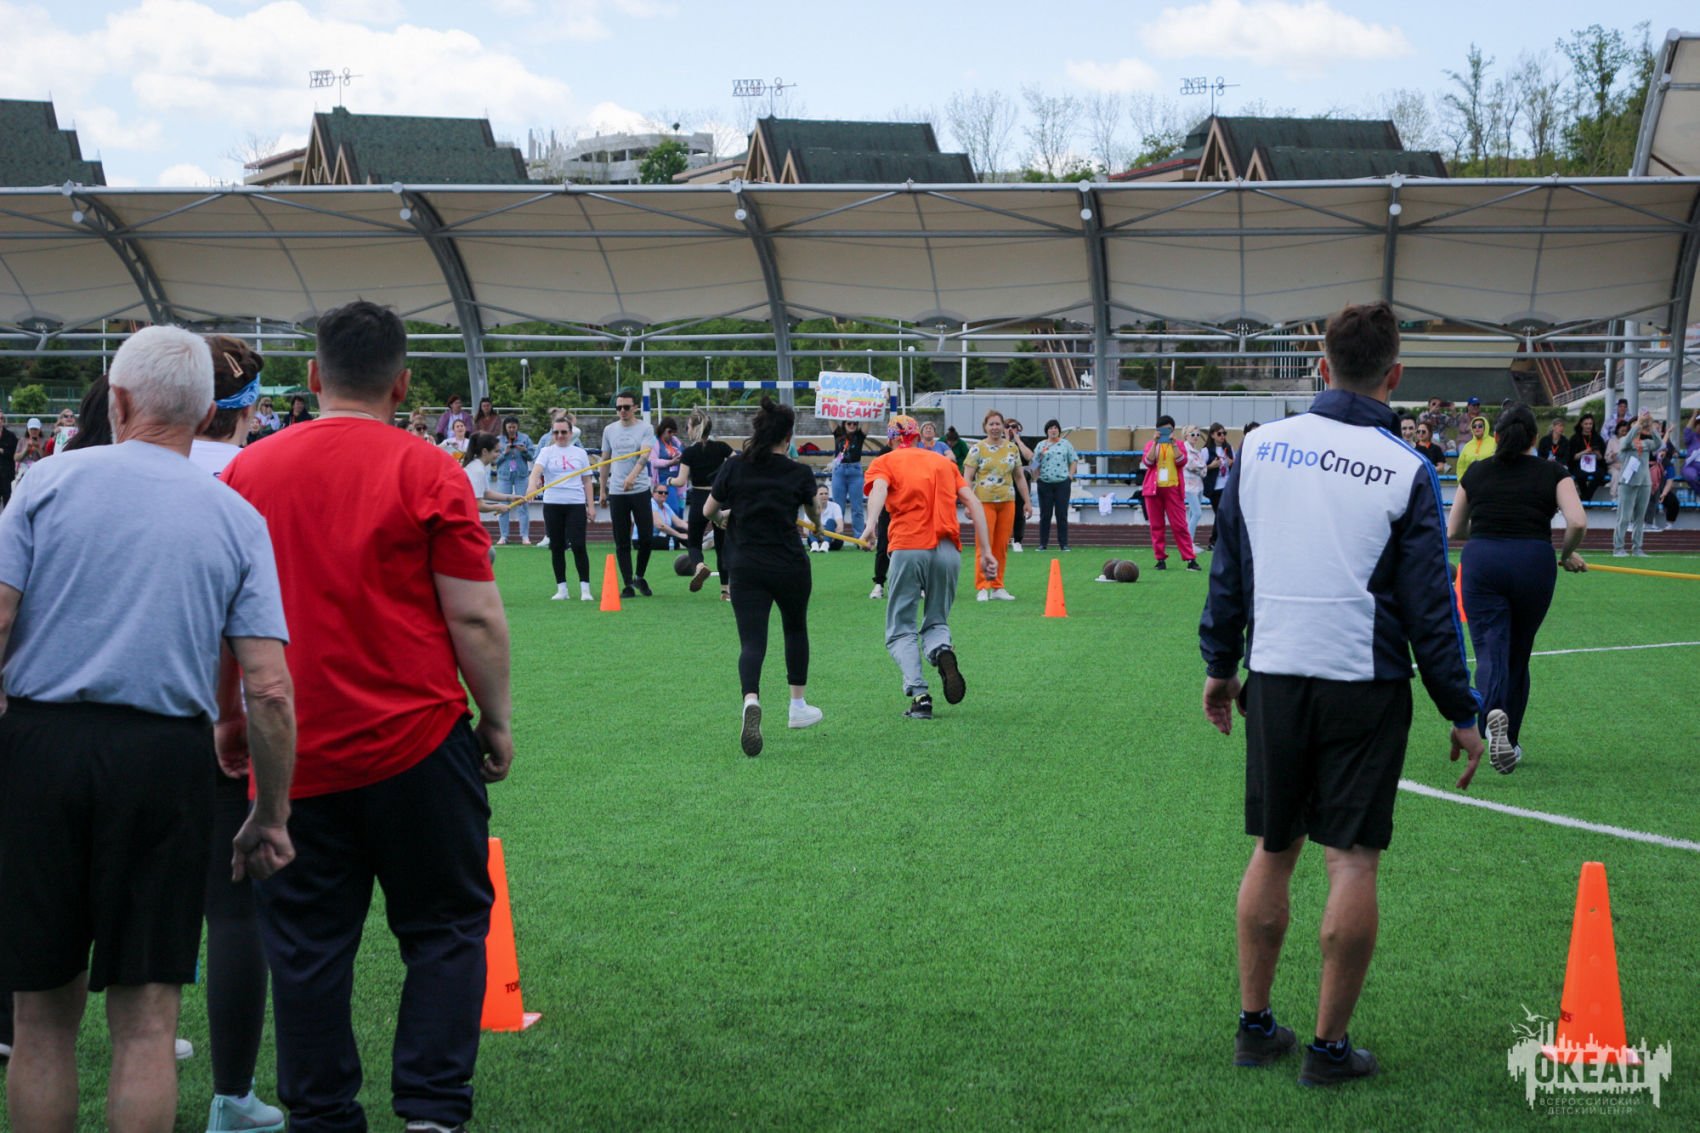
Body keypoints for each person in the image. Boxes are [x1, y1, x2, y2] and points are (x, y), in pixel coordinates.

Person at [220, 300, 514, 1133]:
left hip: (294, 751)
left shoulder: (246, 474)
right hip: (418, 742)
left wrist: (228, 721)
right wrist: (495, 718)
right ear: (403, 383)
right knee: (446, 928)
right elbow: (474, 615)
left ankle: (321, 1115)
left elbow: (220, 619)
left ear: (314, 376)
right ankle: (431, 1112)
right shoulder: (429, 469)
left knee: (306, 945)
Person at [0, 325, 295, 1133]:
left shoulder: (44, 482)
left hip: (42, 746)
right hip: (165, 756)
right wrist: (269, 814)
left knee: (40, 1019)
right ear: (206, 412)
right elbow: (269, 688)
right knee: (147, 1022)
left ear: (119, 400)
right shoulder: (234, 514)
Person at [1199, 300, 1483, 1087]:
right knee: (1351, 860)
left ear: (1322, 366)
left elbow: (1229, 570)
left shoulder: (1260, 448)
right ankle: (1328, 1050)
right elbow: (1431, 607)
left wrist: (1220, 664)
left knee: (1274, 845)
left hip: (1277, 674)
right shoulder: (1406, 467)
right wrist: (1460, 709)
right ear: (1395, 375)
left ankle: (1255, 1027)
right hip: (1366, 682)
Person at [181, 334, 293, 1132]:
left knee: (137, 894)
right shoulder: (255, 479)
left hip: (121, 715)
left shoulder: (107, 468)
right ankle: (232, 1094)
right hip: (223, 713)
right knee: (234, 910)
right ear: (249, 406)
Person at [1447, 403, 1587, 773]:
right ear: (1535, 438)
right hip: (1533, 562)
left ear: (1497, 436)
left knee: (1490, 648)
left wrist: (1488, 529)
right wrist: (1566, 555)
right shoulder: (1553, 472)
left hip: (1483, 562)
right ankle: (1510, 739)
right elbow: (1577, 521)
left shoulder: (1477, 472)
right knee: (1518, 652)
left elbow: (1454, 529)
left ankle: (1491, 716)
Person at [703, 397, 823, 756]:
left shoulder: (734, 467)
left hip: (745, 565)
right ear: (788, 437)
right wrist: (818, 526)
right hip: (789, 564)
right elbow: (814, 513)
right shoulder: (799, 473)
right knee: (795, 628)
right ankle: (797, 706)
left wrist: (723, 518)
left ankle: (751, 700)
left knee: (752, 641)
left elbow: (709, 510)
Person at [862, 414, 997, 721]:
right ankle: (941, 651)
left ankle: (920, 696)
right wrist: (987, 552)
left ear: (892, 439)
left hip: (909, 546)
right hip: (948, 551)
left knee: (901, 628)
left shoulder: (886, 462)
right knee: (936, 620)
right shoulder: (944, 463)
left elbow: (879, 489)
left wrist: (870, 525)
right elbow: (974, 504)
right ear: (916, 436)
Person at [962, 410, 1030, 599]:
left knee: (1001, 546)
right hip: (983, 503)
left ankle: (998, 587)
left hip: (1007, 502)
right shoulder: (977, 449)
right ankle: (982, 587)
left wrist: (1027, 501)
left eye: (998, 424)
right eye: (991, 424)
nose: (994, 427)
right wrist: (967, 502)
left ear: (1003, 427)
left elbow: (1019, 477)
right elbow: (967, 477)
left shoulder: (1012, 449)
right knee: (984, 545)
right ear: (985, 427)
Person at [529, 416, 596, 601]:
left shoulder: (580, 453)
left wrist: (590, 506)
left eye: (564, 432)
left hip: (575, 504)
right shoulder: (546, 452)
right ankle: (562, 589)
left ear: (570, 433)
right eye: (556, 432)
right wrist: (532, 486)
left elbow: (587, 481)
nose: (560, 435)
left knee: (578, 545)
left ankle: (585, 589)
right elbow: (536, 472)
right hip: (553, 504)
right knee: (557, 546)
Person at [601, 391, 658, 598]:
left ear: (635, 407)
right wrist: (603, 489)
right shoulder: (609, 430)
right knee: (622, 540)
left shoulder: (646, 428)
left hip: (640, 489)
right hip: (617, 491)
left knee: (646, 537)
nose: (622, 411)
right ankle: (627, 583)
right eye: (619, 408)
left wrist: (632, 476)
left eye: (626, 407)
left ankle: (639, 576)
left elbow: (644, 456)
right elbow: (605, 460)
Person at [674, 408, 734, 597]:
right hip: (720, 498)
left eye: (687, 427)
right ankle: (725, 590)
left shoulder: (689, 452)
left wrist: (668, 480)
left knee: (694, 542)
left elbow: (681, 481)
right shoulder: (722, 447)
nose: (687, 430)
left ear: (694, 428)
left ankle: (700, 566)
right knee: (722, 545)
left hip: (700, 498)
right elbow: (738, 464)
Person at [1140, 415, 1199, 572]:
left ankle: (1190, 558)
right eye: (1162, 430)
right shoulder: (1151, 444)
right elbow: (1148, 462)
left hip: (1173, 488)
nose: (1166, 433)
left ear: (1173, 430)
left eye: (1169, 429)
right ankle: (1160, 558)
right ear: (1157, 430)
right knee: (1156, 526)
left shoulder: (1179, 444)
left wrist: (1173, 444)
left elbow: (1182, 461)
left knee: (1180, 525)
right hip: (1153, 490)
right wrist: (1155, 442)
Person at [1613, 410, 1657, 557]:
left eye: (1640, 424)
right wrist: (1638, 423)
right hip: (1628, 483)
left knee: (1640, 518)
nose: (1638, 426)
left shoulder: (1646, 443)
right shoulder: (1624, 440)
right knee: (1624, 517)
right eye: (1635, 424)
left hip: (1645, 482)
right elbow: (1626, 442)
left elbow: (1659, 444)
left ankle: (1637, 548)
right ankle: (1618, 548)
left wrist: (1651, 427)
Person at [830, 421, 882, 541]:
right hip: (839, 470)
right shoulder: (838, 433)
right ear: (844, 424)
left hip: (855, 471)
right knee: (838, 506)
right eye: (849, 423)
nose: (852, 425)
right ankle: (837, 537)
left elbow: (868, 420)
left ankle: (859, 537)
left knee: (857, 507)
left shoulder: (859, 435)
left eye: (854, 423)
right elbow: (830, 419)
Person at [1032, 419, 1079, 552]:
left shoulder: (1065, 444)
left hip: (1062, 483)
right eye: (1050, 428)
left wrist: (1070, 476)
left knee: (1061, 514)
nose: (1053, 430)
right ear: (1046, 431)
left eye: (1055, 428)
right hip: (1045, 483)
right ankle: (1043, 544)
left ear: (1059, 430)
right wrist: (1037, 477)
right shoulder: (1041, 445)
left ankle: (1064, 544)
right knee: (1045, 514)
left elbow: (1073, 460)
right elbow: (1033, 465)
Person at [493, 416, 536, 545]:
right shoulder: (498, 440)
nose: (511, 429)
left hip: (521, 475)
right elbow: (494, 460)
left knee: (522, 504)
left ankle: (524, 536)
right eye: (509, 427)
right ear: (505, 427)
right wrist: (504, 453)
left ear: (517, 427)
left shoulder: (525, 438)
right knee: (503, 505)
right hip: (504, 475)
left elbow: (532, 456)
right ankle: (503, 536)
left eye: (514, 427)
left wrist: (524, 451)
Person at [463, 433, 522, 514]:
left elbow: (485, 493)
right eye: (496, 451)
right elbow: (477, 505)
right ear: (484, 451)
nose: (499, 454)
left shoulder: (478, 466)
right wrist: (497, 507)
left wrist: (510, 497)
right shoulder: (477, 470)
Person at [1202, 423, 1235, 551]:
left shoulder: (1229, 448)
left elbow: (1236, 465)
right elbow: (1200, 468)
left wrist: (1232, 463)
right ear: (1212, 435)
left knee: (1223, 513)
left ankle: (1217, 541)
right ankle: (1214, 540)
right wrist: (1211, 466)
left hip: (1227, 486)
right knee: (1221, 513)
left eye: (1224, 433)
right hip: (1214, 488)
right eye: (1219, 433)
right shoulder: (1206, 451)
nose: (1222, 436)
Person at [1004, 419, 1034, 552]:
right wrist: (1006, 439)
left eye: (1014, 426)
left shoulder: (1024, 441)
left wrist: (1018, 440)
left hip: (1021, 479)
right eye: (1007, 426)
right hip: (1004, 479)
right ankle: (1003, 538)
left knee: (1019, 510)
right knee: (1004, 510)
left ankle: (1017, 540)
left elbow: (1030, 457)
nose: (1010, 429)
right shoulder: (1000, 442)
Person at [1567, 413, 1609, 501]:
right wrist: (1584, 452)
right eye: (1586, 424)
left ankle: (1585, 498)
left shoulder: (1598, 438)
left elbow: (1601, 458)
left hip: (1595, 465)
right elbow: (1572, 457)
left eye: (1590, 424)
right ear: (1581, 424)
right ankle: (1586, 499)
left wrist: (1596, 453)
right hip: (1579, 465)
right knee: (1579, 475)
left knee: (1600, 474)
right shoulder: (1575, 438)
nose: (1588, 426)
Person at [649, 416, 685, 514]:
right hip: (664, 481)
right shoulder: (655, 441)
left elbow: (683, 452)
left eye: (673, 432)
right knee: (673, 509)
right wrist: (670, 462)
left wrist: (679, 456)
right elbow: (653, 461)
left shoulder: (675, 440)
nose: (671, 434)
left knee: (680, 510)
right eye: (669, 432)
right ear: (663, 429)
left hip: (679, 480)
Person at [1182, 424, 1208, 547]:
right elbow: (1190, 465)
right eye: (1193, 434)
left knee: (1193, 513)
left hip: (1198, 485)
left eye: (1197, 434)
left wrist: (1200, 468)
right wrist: (1201, 468)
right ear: (1186, 436)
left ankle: (1190, 542)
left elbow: (1203, 469)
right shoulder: (1185, 449)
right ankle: (1188, 543)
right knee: (1197, 513)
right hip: (1189, 486)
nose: (1195, 437)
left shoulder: (1197, 451)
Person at [1453, 412, 1496, 480]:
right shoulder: (1467, 446)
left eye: (1480, 426)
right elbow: (1461, 466)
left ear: (1485, 427)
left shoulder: (1494, 443)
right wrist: (1461, 481)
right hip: (1471, 482)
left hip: (1490, 481)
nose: (1477, 428)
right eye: (1474, 426)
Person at [810, 483, 844, 551]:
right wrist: (821, 536)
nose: (824, 496)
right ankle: (815, 545)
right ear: (815, 495)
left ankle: (825, 544)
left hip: (833, 539)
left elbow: (840, 528)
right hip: (817, 538)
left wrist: (827, 537)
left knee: (830, 521)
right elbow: (806, 530)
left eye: (826, 493)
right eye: (821, 494)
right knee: (813, 524)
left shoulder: (835, 506)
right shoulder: (810, 507)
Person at [0, 412, 15, 510]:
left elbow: (14, 454)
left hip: (7, 474)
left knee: (8, 504)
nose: (0, 420)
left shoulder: (10, 436)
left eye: (1, 418)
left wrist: (2, 451)